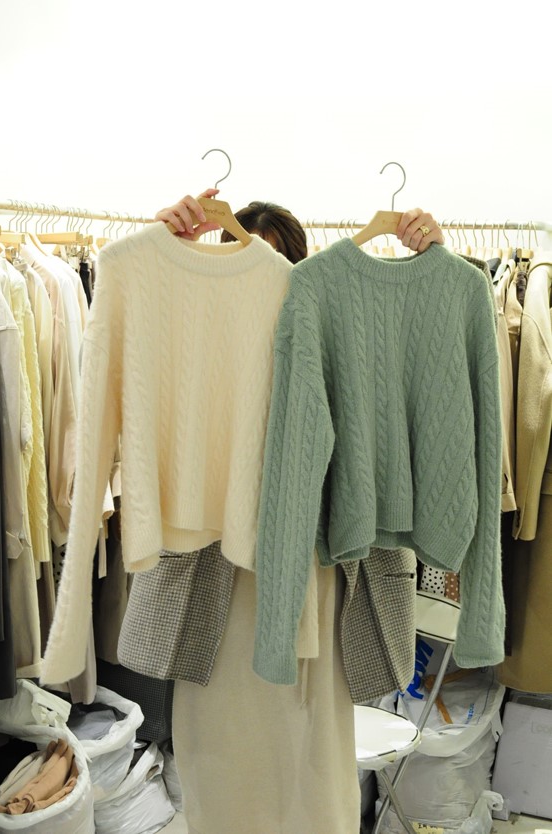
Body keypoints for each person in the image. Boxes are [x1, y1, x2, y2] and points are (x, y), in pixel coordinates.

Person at [150, 190, 445, 834]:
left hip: (319, 575)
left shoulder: (344, 325)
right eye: (247, 259)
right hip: (221, 578)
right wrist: (167, 251)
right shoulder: (195, 331)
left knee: (312, 758)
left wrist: (430, 257)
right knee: (219, 748)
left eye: (281, 263)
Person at [155, 187, 445, 260]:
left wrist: (436, 252)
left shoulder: (324, 309)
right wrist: (160, 247)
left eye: (273, 258)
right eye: (245, 256)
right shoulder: (201, 305)